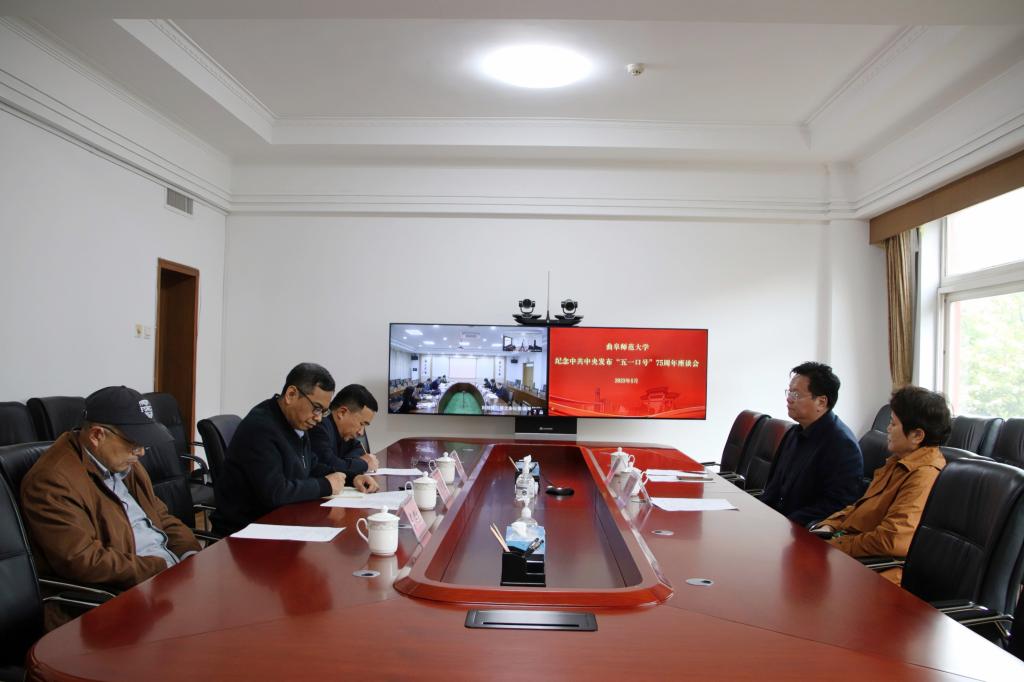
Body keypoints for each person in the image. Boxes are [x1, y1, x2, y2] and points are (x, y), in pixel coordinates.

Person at [20, 386, 201, 627]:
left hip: (162, 583)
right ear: (97, 435)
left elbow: (160, 516)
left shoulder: (123, 462)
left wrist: (190, 555)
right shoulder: (52, 481)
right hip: (116, 603)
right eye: (134, 443)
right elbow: (84, 561)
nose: (141, 452)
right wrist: (162, 568)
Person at [212, 363, 377, 535]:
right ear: (291, 395)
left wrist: (351, 478)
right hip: (245, 532)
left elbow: (312, 465)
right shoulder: (261, 428)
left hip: (278, 521)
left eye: (323, 411)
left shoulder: (295, 422)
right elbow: (275, 492)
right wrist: (325, 485)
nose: (319, 418)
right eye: (316, 408)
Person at [809, 386, 950, 585]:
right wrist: (830, 525)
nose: (888, 429)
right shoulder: (898, 461)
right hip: (855, 556)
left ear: (917, 435)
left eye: (893, 423)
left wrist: (836, 544)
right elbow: (860, 507)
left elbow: (891, 540)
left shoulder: (924, 475)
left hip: (880, 572)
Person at [761, 362, 863, 526]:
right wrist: (757, 513)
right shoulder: (794, 433)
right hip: (776, 524)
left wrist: (784, 524)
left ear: (821, 402)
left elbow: (836, 506)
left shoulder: (842, 445)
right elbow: (774, 488)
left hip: (801, 530)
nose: (789, 399)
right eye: (789, 392)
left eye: (796, 394)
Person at [309, 384, 380, 480]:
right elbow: (330, 466)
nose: (361, 432)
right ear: (342, 413)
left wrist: (346, 463)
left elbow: (358, 449)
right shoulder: (319, 428)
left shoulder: (345, 434)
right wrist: (364, 464)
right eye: (361, 424)